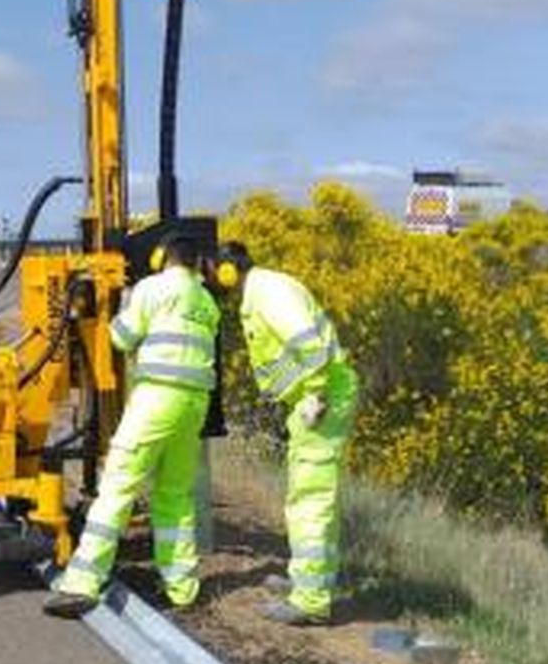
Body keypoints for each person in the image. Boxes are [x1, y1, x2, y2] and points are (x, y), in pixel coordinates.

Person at [43, 232, 220, 618]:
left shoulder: (152, 288)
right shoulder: (207, 301)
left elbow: (122, 339)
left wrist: (116, 305)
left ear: (161, 259)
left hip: (156, 399)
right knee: (175, 496)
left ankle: (81, 584)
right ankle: (182, 588)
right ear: (194, 263)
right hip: (194, 406)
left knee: (118, 486)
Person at [214, 241, 357, 625]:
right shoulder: (262, 291)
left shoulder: (268, 293)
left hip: (321, 402)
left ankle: (310, 601)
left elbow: (309, 345)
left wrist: (315, 394)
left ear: (228, 271)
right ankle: (307, 580)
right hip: (312, 402)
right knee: (309, 498)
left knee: (310, 501)